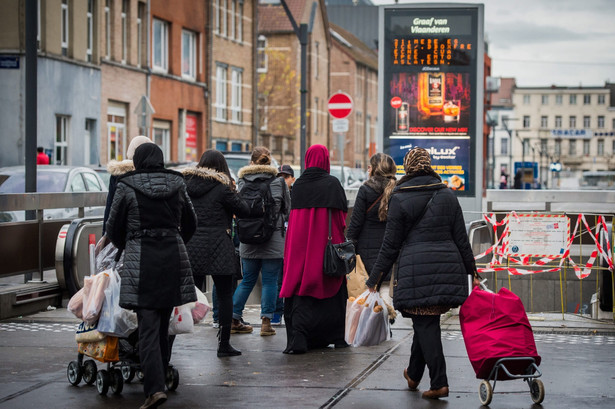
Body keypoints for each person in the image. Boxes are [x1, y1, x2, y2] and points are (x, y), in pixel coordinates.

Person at [366, 147, 479, 400]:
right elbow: (461, 238)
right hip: (448, 269)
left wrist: (374, 279)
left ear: (408, 166)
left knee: (425, 323)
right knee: (425, 321)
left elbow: (390, 245)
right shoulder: (447, 195)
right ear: (429, 165)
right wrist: (472, 270)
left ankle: (439, 382)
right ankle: (414, 374)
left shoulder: (400, 196)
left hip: (418, 271)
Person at [106, 143, 197, 409]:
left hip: (142, 259)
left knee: (147, 324)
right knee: (161, 321)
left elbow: (113, 228)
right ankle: (160, 377)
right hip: (172, 257)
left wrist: (130, 243)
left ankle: (154, 389)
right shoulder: (177, 184)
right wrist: (176, 239)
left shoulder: (126, 185)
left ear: (137, 160)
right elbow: (191, 222)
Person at [280, 144, 349, 354]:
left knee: (301, 288)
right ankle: (337, 337)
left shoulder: (298, 185)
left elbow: (295, 219)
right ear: (326, 160)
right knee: (334, 287)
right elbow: (341, 220)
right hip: (326, 248)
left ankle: (299, 339)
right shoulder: (333, 184)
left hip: (300, 247)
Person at [182, 150, 250, 357]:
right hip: (219, 245)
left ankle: (168, 338)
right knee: (224, 294)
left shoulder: (185, 185)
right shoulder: (222, 189)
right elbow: (244, 209)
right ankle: (224, 344)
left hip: (192, 245)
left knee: (182, 295)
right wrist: (234, 191)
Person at [231, 147, 290, 336]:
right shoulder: (279, 182)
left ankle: (233, 317)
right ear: (270, 161)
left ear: (252, 162)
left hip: (248, 238)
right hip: (273, 239)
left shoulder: (242, 181)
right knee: (270, 281)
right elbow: (287, 209)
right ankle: (266, 323)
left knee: (247, 280)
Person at [346, 153, 397, 306]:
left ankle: (372, 326)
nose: (368, 168)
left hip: (366, 252)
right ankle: (386, 321)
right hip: (390, 250)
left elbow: (355, 223)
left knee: (368, 294)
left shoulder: (366, 190)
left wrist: (349, 248)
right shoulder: (398, 190)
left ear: (376, 169)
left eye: (370, 165)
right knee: (385, 290)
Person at [102, 135, 154, 236]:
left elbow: (110, 206)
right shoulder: (153, 174)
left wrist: (105, 233)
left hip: (122, 231)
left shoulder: (117, 174)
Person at [271, 164, 296, 325]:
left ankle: (290, 311)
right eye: (279, 176)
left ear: (292, 179)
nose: (282, 180)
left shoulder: (298, 195)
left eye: (286, 177)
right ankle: (276, 313)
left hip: (292, 242)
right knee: (277, 279)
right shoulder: (273, 194)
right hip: (279, 241)